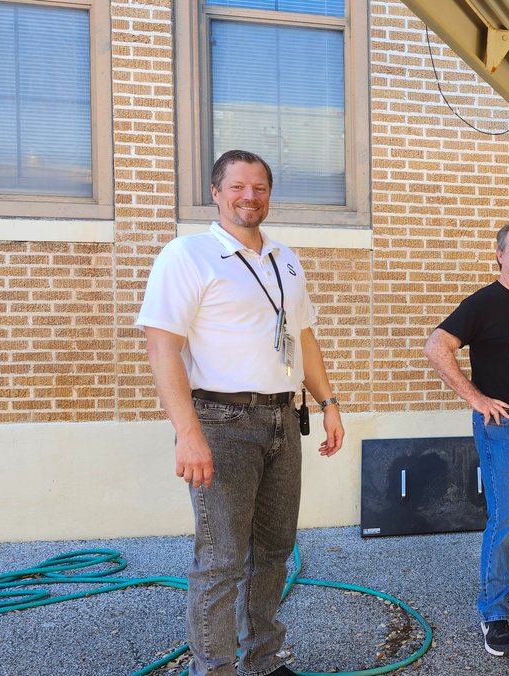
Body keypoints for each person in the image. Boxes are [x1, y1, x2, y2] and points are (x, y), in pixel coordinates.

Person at [138, 150, 344, 676]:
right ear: (215, 192)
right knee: (221, 562)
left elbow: (303, 339)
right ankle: (214, 669)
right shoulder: (188, 255)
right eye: (237, 187)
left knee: (274, 554)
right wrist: (188, 434)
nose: (249, 196)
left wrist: (329, 403)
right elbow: (161, 348)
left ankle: (262, 662)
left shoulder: (285, 259)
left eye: (259, 187)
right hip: (220, 423)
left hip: (282, 421)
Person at [423, 221, 509, 657]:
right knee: (504, 519)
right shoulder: (483, 303)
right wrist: (477, 398)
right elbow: (436, 346)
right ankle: (494, 611)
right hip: (502, 429)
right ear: (499, 254)